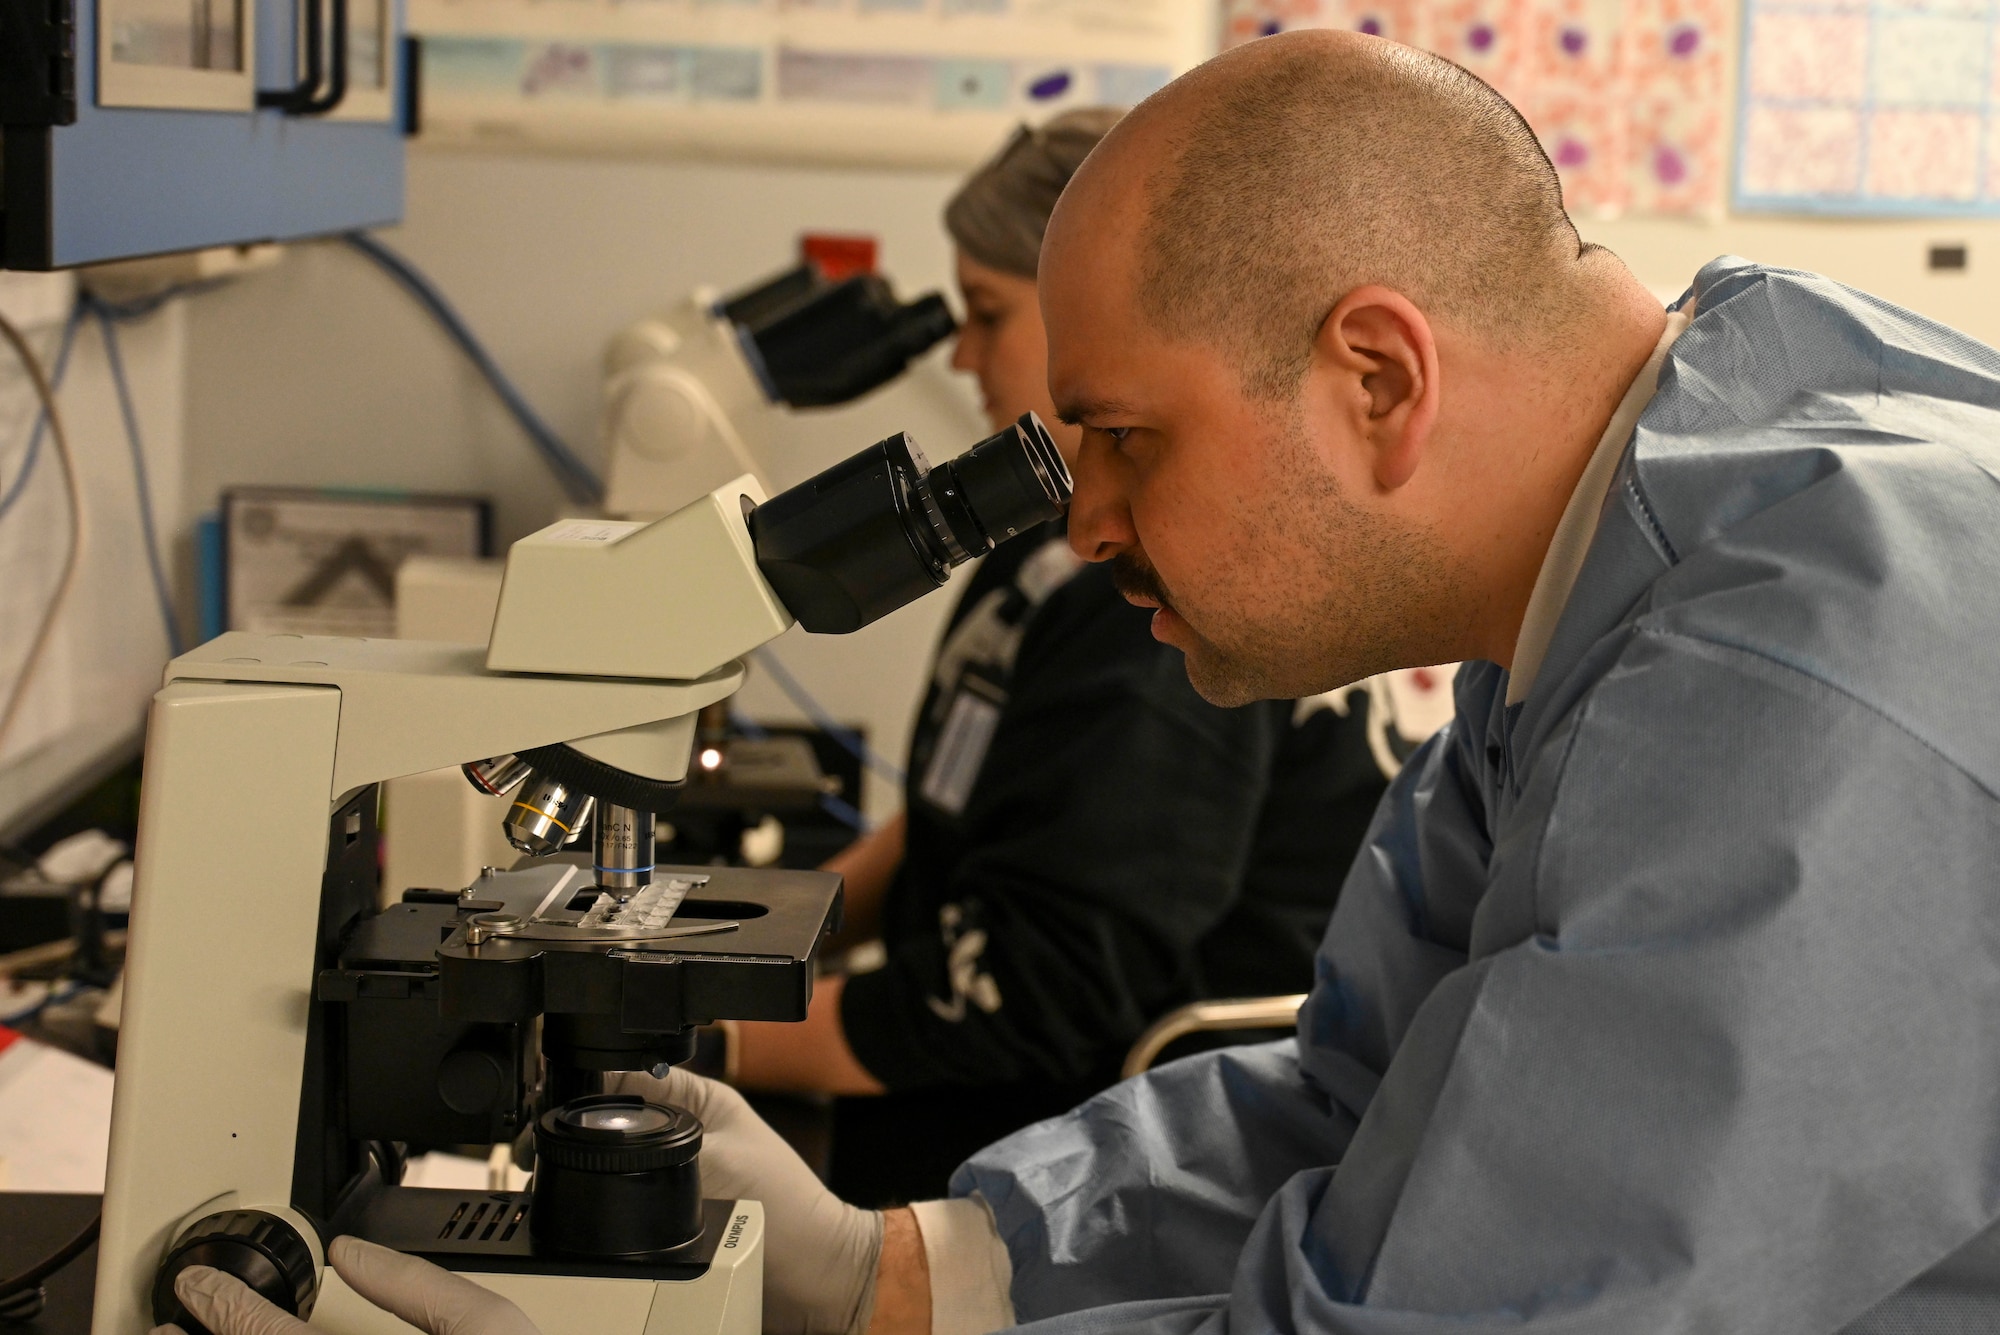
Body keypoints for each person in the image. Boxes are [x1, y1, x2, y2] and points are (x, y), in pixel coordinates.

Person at [182, 25, 2000, 1335]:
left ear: (1378, 377)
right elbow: (1355, 1104)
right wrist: (892, 1273)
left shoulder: (1797, 677)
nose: (1090, 524)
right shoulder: (1638, 554)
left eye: (1124, 441)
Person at [717, 107, 1393, 1207]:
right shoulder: (1048, 544)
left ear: (1089, 313)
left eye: (986, 314)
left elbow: (1040, 991)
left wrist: (704, 1041)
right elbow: (948, 812)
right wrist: (758, 942)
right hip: (1006, 1062)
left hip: (1096, 1135)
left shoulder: (1149, 589)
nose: (957, 353)